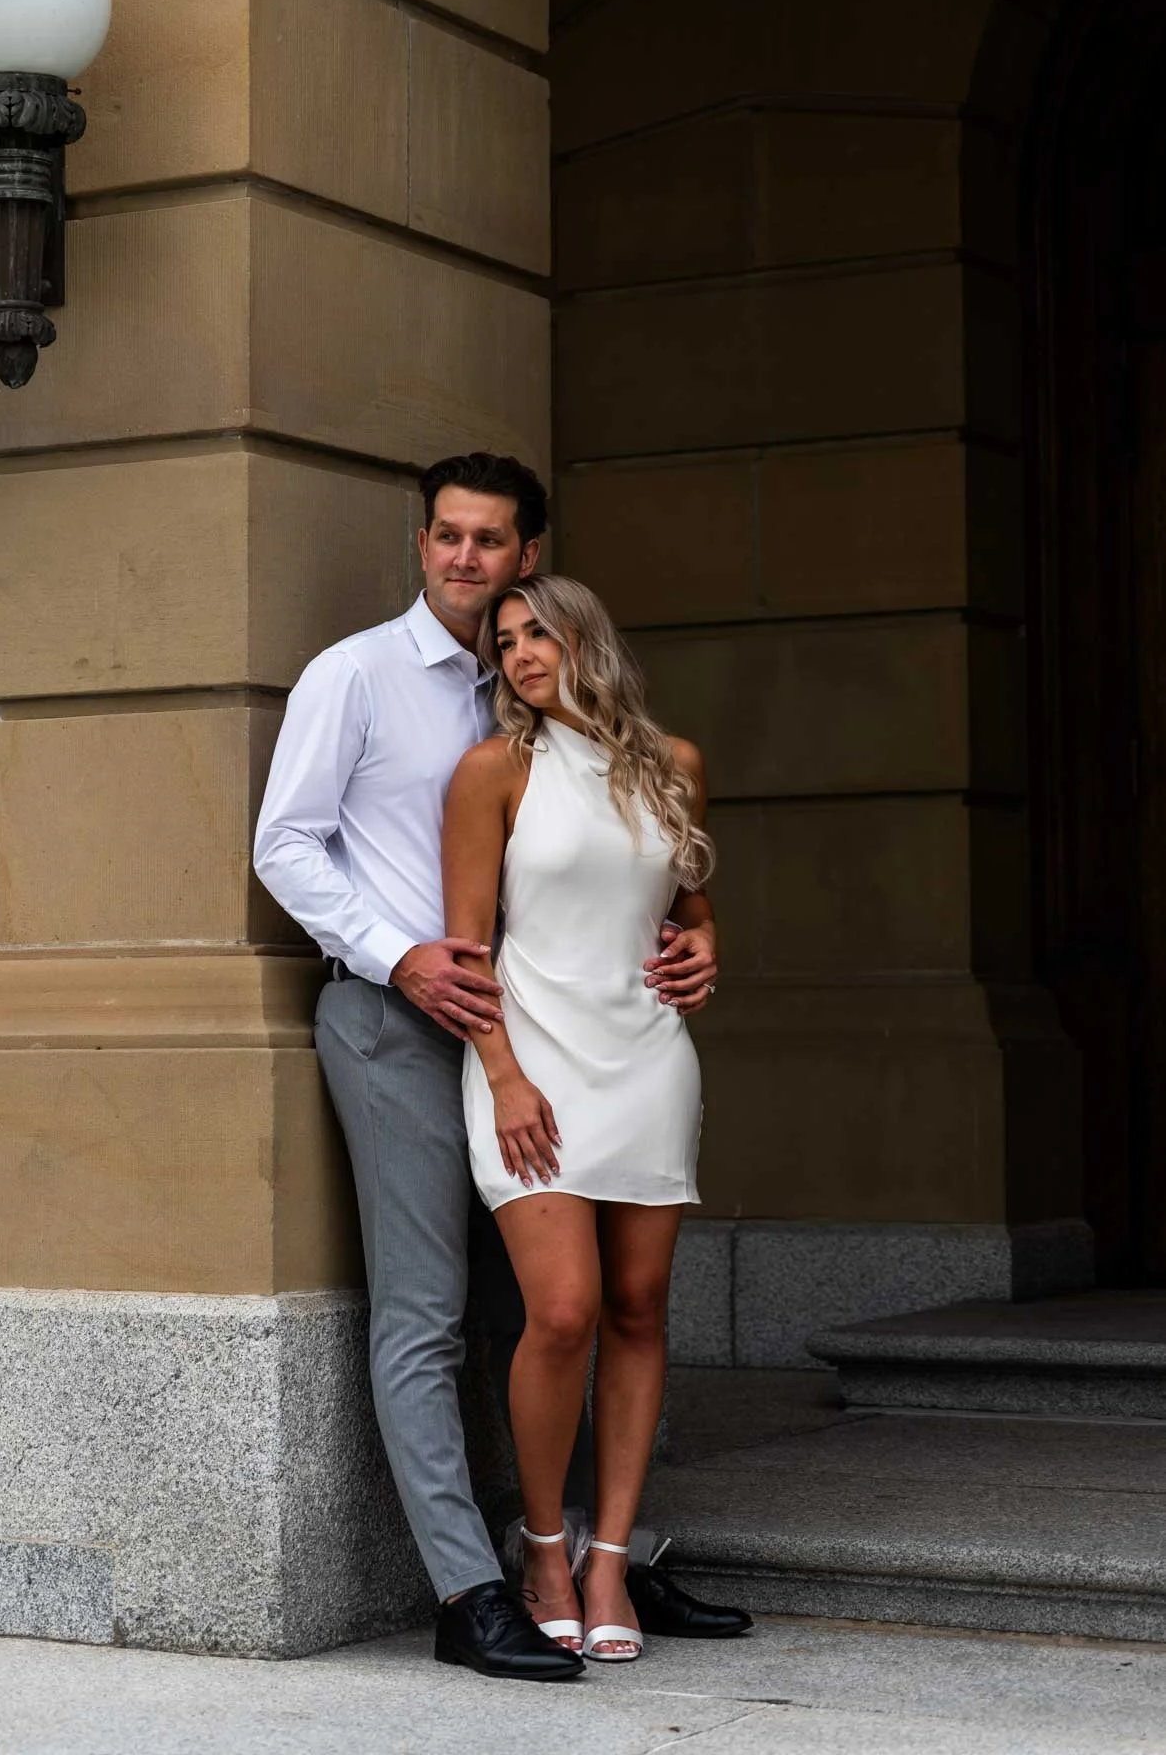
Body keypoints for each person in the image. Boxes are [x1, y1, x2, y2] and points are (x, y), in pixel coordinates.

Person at [253, 452, 746, 1680]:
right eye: (446, 535)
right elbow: (285, 844)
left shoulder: (518, 687)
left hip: (553, 1025)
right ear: (421, 542)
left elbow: (631, 861)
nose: (464, 557)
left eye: (488, 540)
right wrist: (400, 957)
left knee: (541, 1309)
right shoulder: (357, 674)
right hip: (400, 1016)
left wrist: (696, 936)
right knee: (429, 1310)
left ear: (529, 557)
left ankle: (585, 1548)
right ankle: (470, 1588)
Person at [442, 575, 720, 1663]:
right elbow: (466, 950)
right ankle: (545, 1549)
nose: (518, 654)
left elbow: (686, 906)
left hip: (647, 1060)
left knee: (639, 1308)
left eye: (537, 634)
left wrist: (707, 945)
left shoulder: (673, 765)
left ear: (584, 639)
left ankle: (610, 1561)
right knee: (562, 1311)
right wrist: (504, 1077)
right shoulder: (493, 772)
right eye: (504, 641)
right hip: (533, 1063)